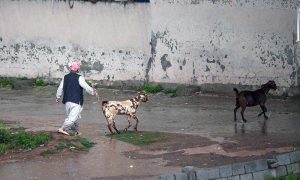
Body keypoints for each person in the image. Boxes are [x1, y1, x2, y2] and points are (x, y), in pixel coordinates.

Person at [56, 61, 98, 136]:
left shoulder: (65, 77)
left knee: (72, 117)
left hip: (67, 101)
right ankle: (62, 128)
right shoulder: (80, 78)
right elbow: (86, 87)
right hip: (76, 101)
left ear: (70, 69)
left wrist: (58, 97)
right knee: (72, 118)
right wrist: (93, 92)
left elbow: (60, 88)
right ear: (78, 70)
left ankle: (77, 131)